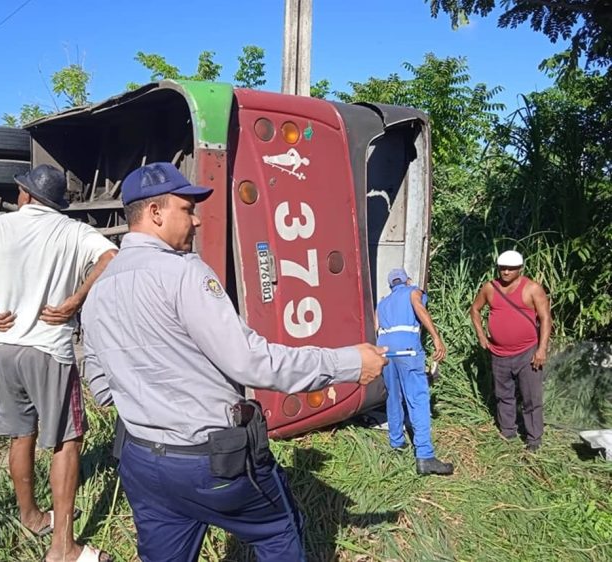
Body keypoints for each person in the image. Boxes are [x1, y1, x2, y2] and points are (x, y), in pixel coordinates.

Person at [81, 162, 389, 562]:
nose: (195, 222)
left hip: (141, 462)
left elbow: (102, 389)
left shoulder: (99, 288)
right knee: (279, 531)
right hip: (210, 462)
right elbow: (251, 363)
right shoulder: (183, 274)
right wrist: (350, 363)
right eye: (186, 209)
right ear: (155, 212)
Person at [0, 164, 117, 562]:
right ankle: (63, 548)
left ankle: (30, 516)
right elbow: (112, 257)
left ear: (25, 194)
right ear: (57, 201)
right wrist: (73, 302)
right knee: (67, 440)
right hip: (50, 348)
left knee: (20, 434)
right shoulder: (73, 231)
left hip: (5, 347)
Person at [470, 250, 551, 452]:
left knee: (531, 397)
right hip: (499, 353)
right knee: (503, 395)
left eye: (510, 268)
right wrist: (481, 335)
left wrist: (541, 349)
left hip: (527, 351)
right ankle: (508, 432)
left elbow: (546, 319)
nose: (505, 272)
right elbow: (475, 309)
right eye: (502, 268)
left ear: (520, 269)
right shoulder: (490, 287)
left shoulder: (532, 288)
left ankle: (534, 439)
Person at [375, 268, 453, 476]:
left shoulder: (382, 303)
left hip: (386, 353)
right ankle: (425, 456)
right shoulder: (412, 292)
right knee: (418, 399)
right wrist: (436, 337)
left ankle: (397, 441)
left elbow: (376, 327)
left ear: (391, 285)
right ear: (407, 280)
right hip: (408, 351)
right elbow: (420, 308)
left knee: (393, 397)